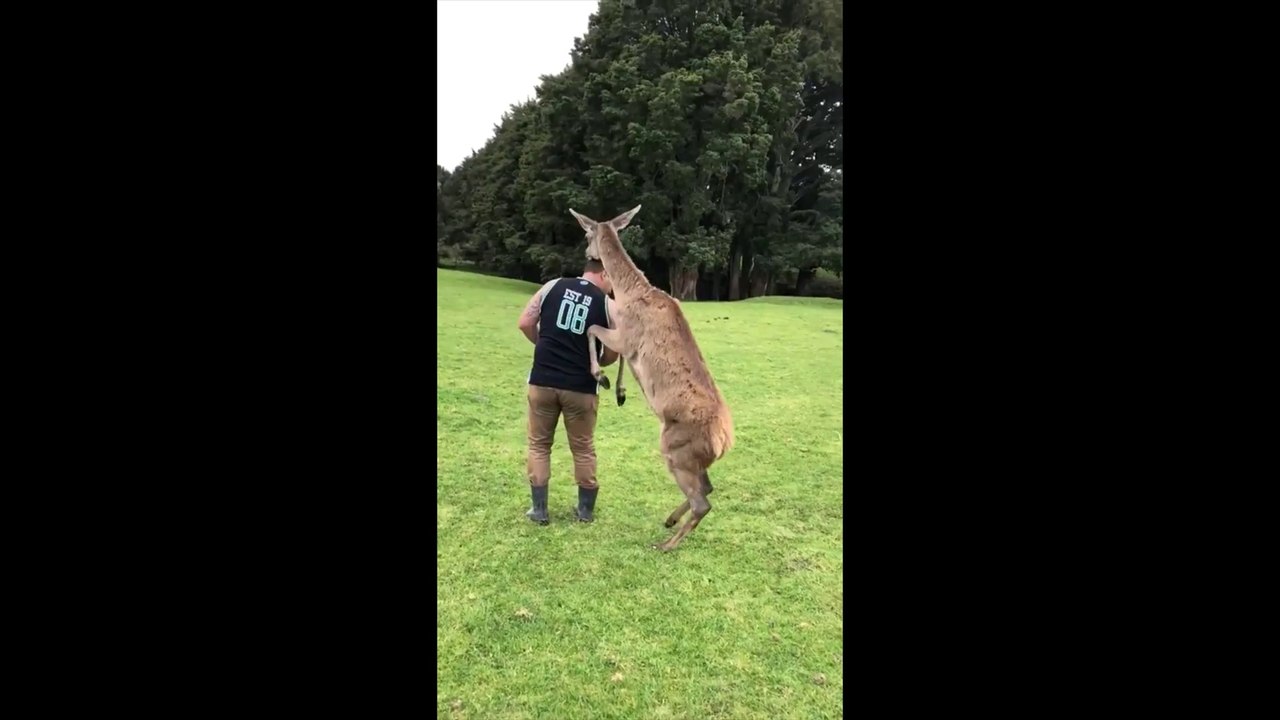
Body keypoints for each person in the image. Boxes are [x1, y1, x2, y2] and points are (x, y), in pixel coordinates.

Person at [516, 259, 618, 525]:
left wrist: (544, 343)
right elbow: (612, 352)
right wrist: (599, 358)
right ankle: (585, 512)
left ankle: (539, 510)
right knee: (583, 448)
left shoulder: (552, 286)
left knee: (539, 444)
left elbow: (525, 322)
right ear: (604, 273)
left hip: (542, 380)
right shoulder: (607, 305)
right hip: (581, 388)